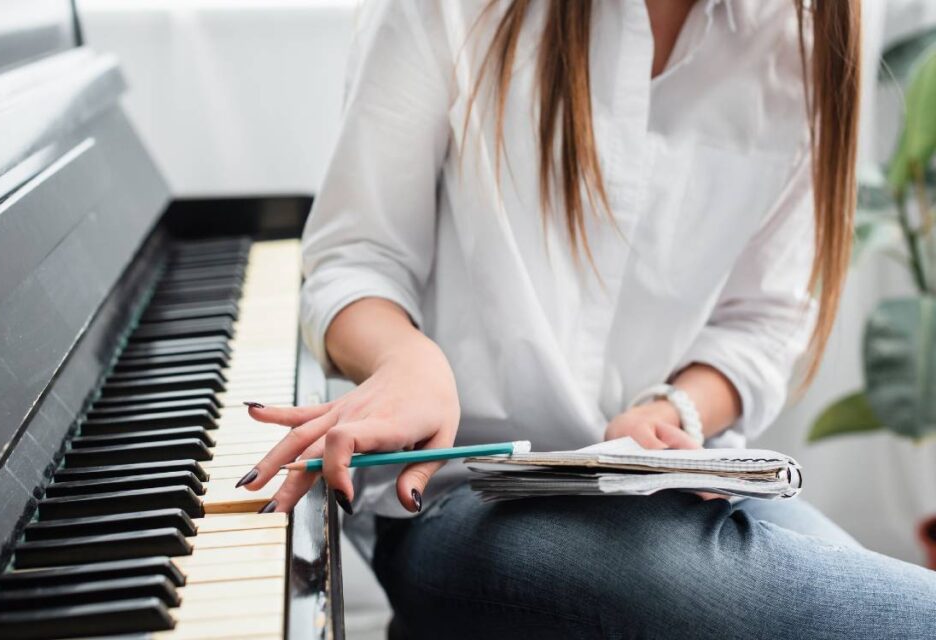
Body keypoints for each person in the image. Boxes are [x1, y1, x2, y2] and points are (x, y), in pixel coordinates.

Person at [240, 1, 936, 637]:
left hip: (672, 489)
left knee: (844, 583)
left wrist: (673, 408)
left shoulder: (802, 28)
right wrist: (405, 359)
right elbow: (355, 256)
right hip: (459, 495)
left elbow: (765, 319)